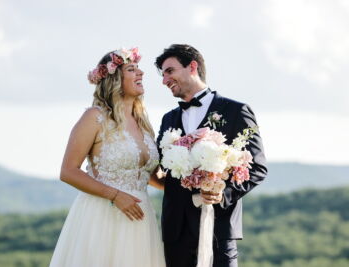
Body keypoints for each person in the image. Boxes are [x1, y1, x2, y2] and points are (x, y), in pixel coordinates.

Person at [49, 47, 165, 267]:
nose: (141, 74)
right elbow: (68, 171)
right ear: (114, 78)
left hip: (139, 219)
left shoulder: (144, 125)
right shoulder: (95, 117)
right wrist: (115, 195)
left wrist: (193, 181)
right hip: (102, 215)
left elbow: (146, 175)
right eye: (132, 69)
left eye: (139, 69)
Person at [154, 44, 267, 267]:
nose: (165, 80)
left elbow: (257, 168)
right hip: (176, 232)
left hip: (218, 228)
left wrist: (222, 194)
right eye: (163, 74)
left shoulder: (236, 111)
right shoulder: (168, 119)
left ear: (192, 66)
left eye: (170, 71)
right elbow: (160, 168)